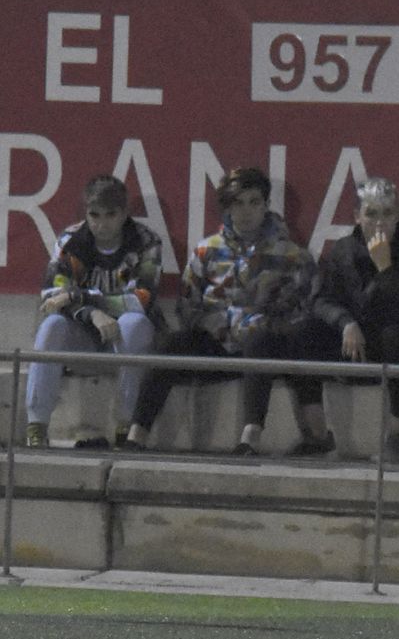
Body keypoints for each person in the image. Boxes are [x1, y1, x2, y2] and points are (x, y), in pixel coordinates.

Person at [125, 166, 331, 456]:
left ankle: (250, 437)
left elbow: (304, 311)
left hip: (265, 344)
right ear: (227, 207)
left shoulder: (292, 256)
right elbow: (188, 306)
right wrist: (219, 324)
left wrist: (263, 322)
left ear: (266, 205)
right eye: (238, 203)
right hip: (218, 341)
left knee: (260, 342)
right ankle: (137, 435)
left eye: (254, 202)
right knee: (170, 345)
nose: (246, 211)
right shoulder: (206, 250)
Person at [302, 177, 399, 463]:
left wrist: (385, 269)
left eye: (387, 214)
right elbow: (320, 300)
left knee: (394, 333)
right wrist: (345, 322)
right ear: (357, 217)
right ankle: (318, 436)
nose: (379, 223)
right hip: (361, 342)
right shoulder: (344, 250)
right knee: (305, 333)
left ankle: (398, 437)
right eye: (371, 214)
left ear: (398, 216)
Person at [25, 175, 164, 449]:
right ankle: (36, 426)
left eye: (111, 214)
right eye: (94, 215)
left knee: (134, 323)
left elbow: (142, 299)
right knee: (51, 326)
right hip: (83, 336)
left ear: (125, 214)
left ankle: (127, 425)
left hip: (125, 340)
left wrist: (79, 296)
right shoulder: (71, 241)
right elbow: (53, 297)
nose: (102, 224)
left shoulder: (147, 242)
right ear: (86, 212)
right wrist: (92, 313)